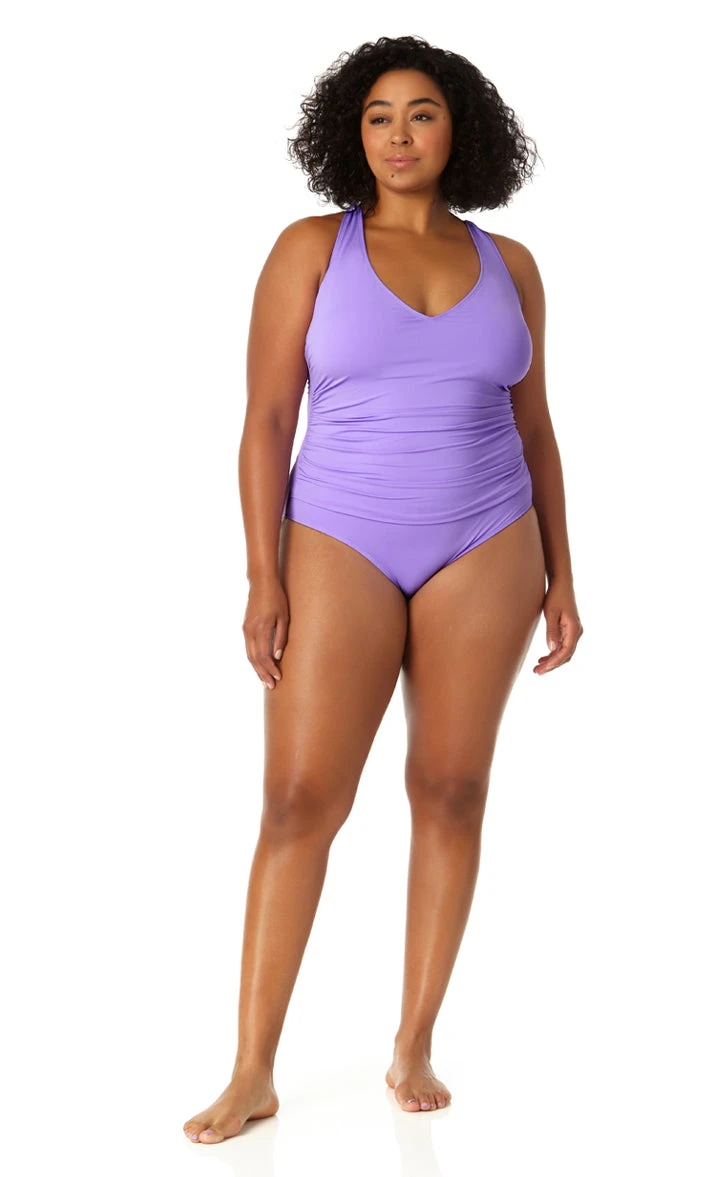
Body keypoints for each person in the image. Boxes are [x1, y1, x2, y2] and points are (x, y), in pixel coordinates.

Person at [184, 33, 583, 1145]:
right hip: (338, 534)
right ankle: (252, 1069)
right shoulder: (312, 248)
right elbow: (268, 418)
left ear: (460, 130)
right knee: (299, 799)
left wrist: (563, 570)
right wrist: (262, 572)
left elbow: (536, 427)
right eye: (377, 116)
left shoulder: (512, 265)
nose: (398, 135)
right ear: (349, 135)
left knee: (451, 788)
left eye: (421, 114)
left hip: (487, 538)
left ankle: (412, 1041)